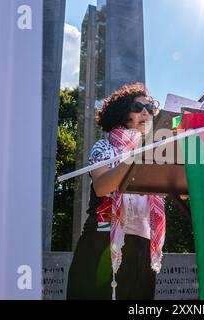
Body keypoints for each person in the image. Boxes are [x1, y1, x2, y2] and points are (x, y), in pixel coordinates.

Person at [67, 83, 166, 300]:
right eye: (138, 106)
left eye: (150, 109)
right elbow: (102, 187)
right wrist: (135, 157)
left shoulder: (154, 154)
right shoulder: (104, 148)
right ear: (122, 112)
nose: (145, 113)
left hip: (142, 245)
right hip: (101, 242)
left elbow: (174, 191)